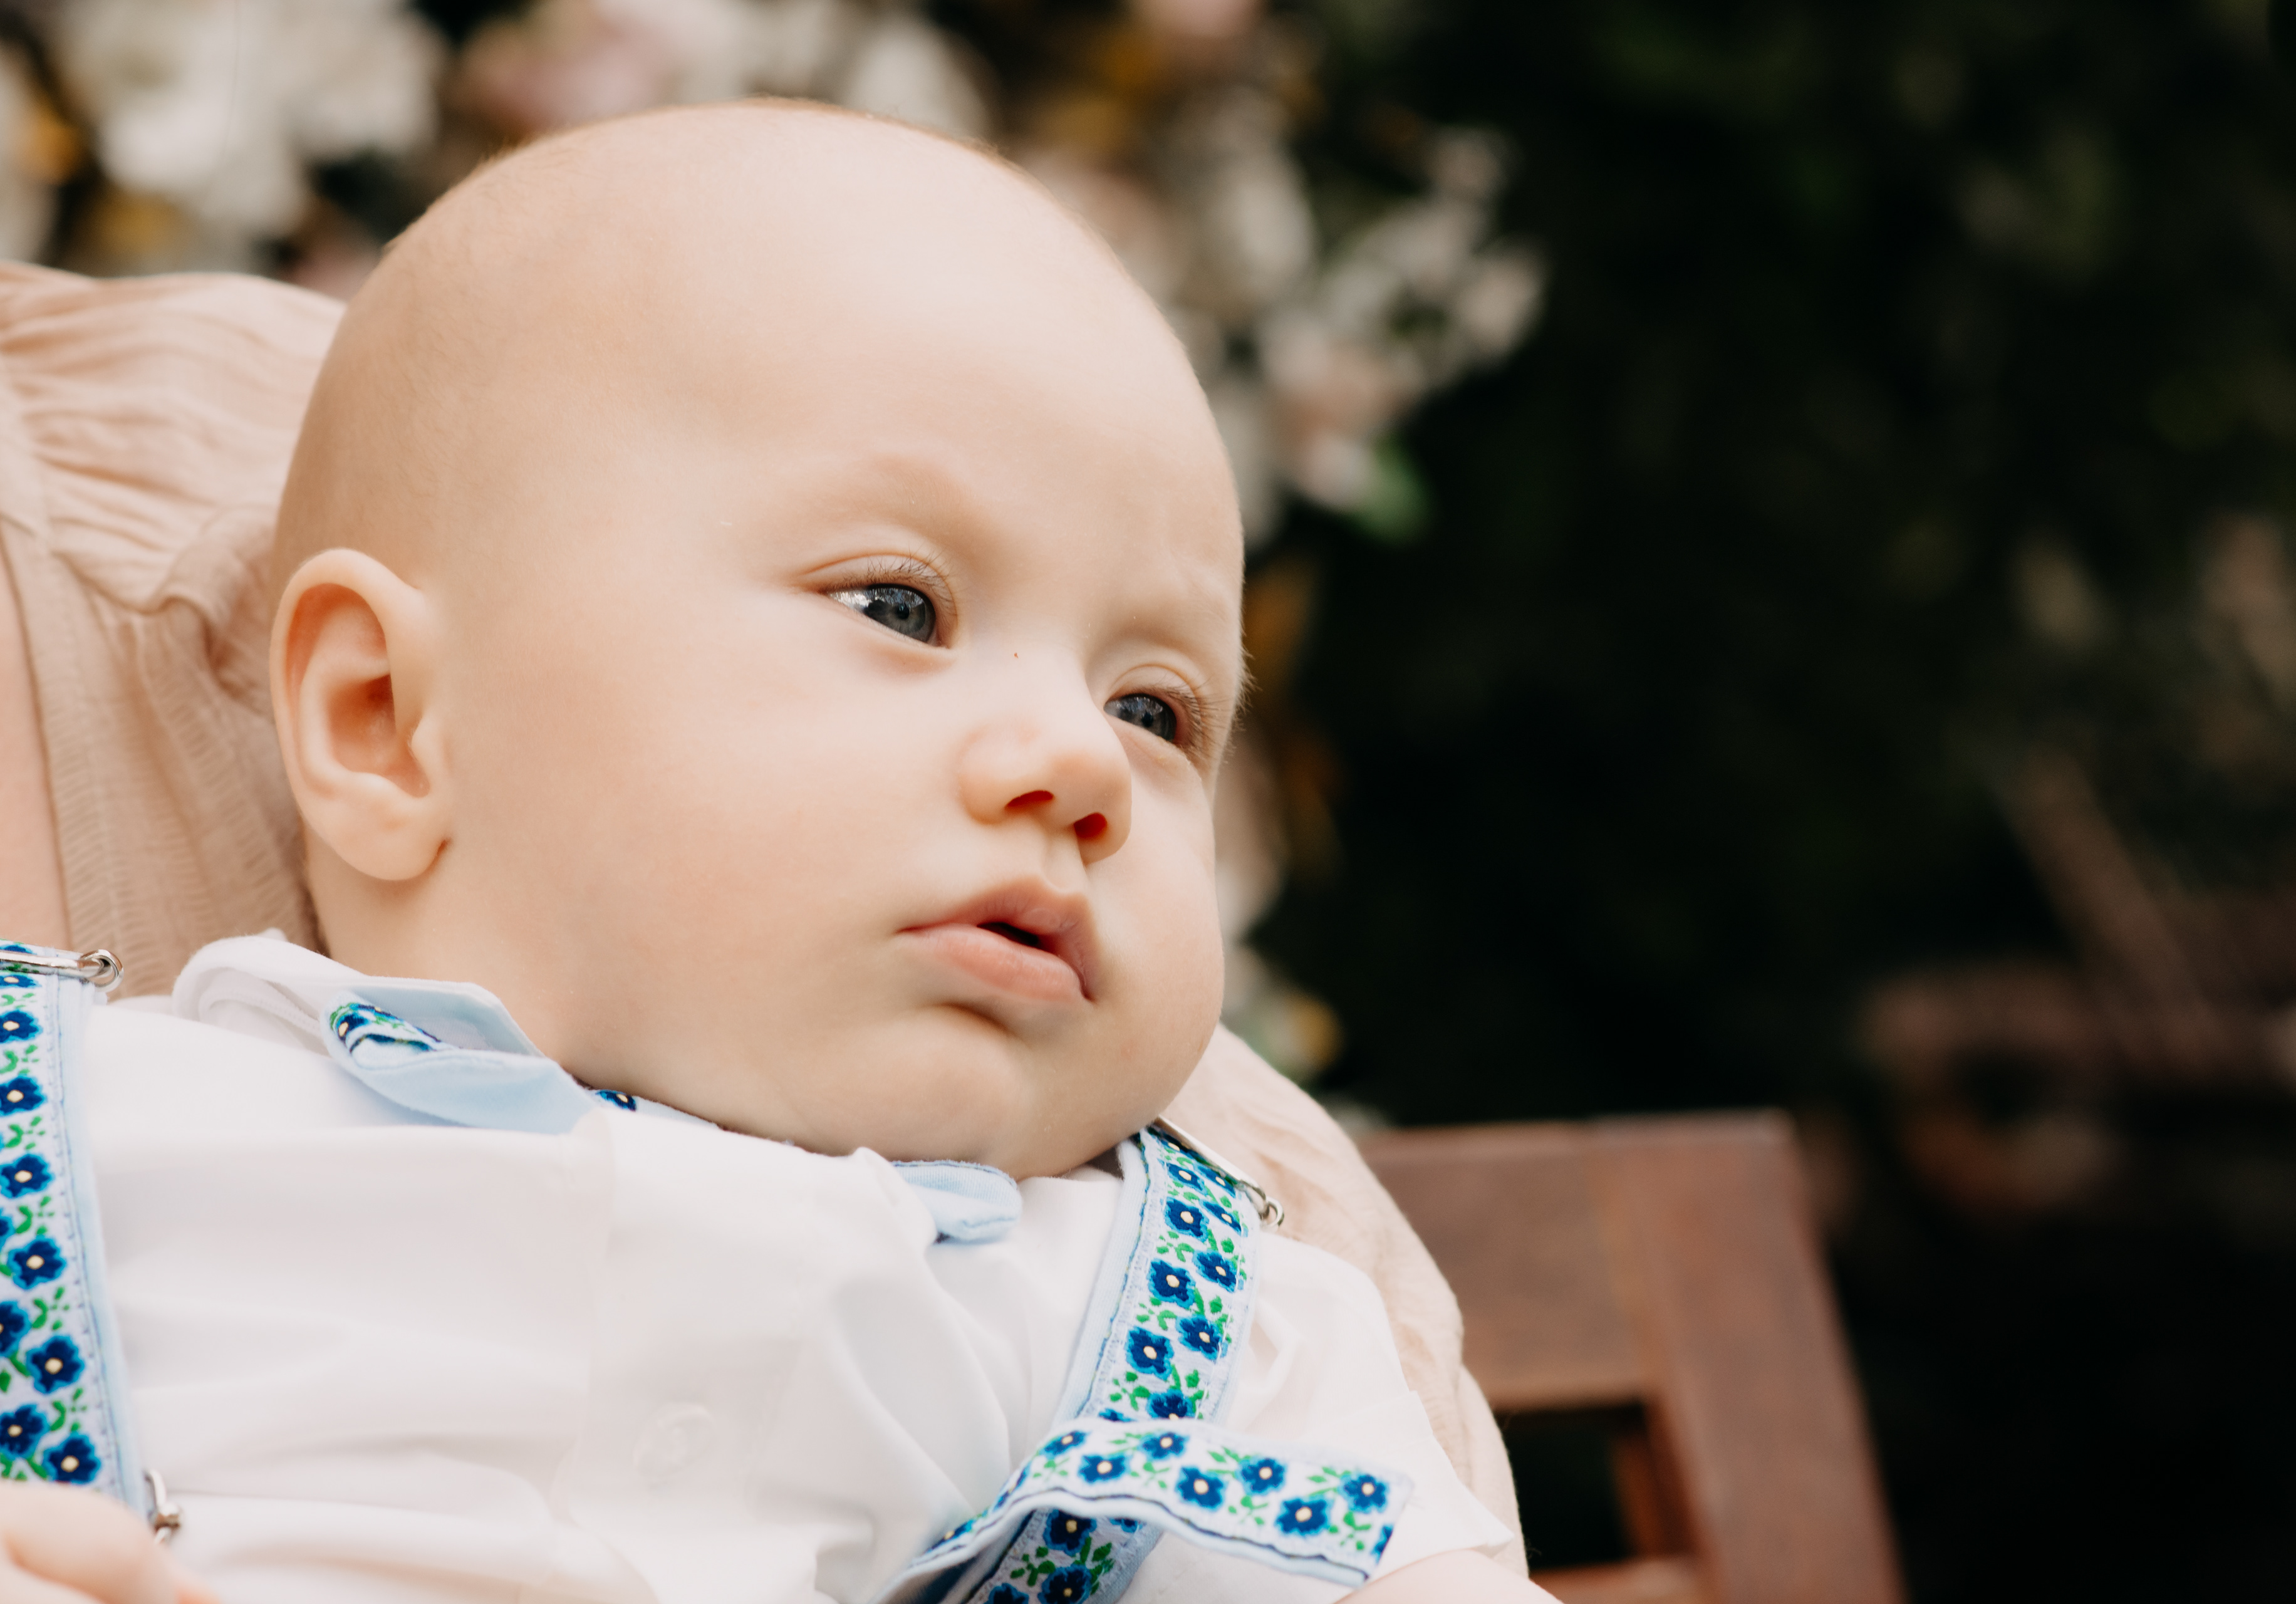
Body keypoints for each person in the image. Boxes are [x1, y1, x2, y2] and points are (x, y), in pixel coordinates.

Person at [0, 103, 1544, 1603]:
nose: (1087, 767)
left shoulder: (1150, 1323)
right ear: (386, 719)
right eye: (899, 607)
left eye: (1156, 710)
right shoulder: (104, 1134)